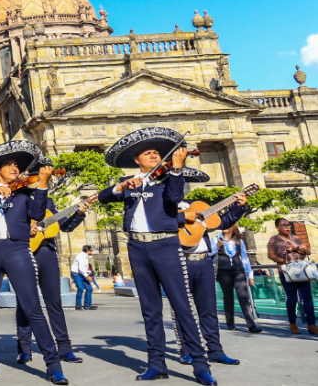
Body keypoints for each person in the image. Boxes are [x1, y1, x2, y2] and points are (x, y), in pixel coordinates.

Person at [99, 127, 215, 385]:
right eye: (147, 153)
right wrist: (121, 185)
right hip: (137, 247)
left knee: (182, 305)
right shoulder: (130, 182)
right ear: (136, 160)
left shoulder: (169, 178)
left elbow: (175, 197)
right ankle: (156, 364)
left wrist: (177, 168)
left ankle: (200, 365)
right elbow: (103, 197)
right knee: (150, 309)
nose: (154, 155)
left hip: (166, 245)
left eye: (156, 153)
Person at [0, 141, 67, 384]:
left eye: (16, 165)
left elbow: (38, 214)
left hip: (17, 249)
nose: (14, 168)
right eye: (9, 165)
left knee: (33, 308)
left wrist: (42, 184)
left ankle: (53, 366)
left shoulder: (26, 194)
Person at [15, 164, 91, 367]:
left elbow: (64, 226)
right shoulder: (14, 198)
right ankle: (24, 348)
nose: (26, 176)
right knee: (24, 302)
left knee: (54, 302)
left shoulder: (47, 200)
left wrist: (79, 213)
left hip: (47, 252)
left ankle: (65, 348)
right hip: (23, 252)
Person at [174, 181, 248, 366]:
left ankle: (215, 350)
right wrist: (182, 218)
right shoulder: (161, 205)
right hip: (179, 261)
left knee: (209, 309)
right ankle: (186, 350)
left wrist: (238, 207)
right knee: (182, 309)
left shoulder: (196, 204)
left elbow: (222, 222)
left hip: (204, 261)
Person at [267, 218, 316, 335]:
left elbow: (308, 251)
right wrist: (284, 260)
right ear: (277, 227)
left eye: (288, 225)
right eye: (283, 225)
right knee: (292, 298)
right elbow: (271, 255)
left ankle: (311, 324)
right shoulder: (273, 240)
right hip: (286, 272)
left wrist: (296, 248)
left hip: (302, 271)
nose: (287, 227)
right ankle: (293, 323)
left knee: (308, 298)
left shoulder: (296, 239)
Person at [214, 224, 260, 333]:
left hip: (238, 271)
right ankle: (230, 323)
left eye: (227, 225)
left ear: (232, 227)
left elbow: (245, 258)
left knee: (243, 297)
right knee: (228, 297)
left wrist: (250, 275)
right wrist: (217, 246)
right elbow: (209, 253)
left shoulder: (239, 241)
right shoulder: (216, 239)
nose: (224, 227)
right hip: (223, 271)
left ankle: (251, 325)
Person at [71, 246, 95, 311]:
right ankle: (78, 305)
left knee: (89, 288)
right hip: (76, 274)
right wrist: (87, 276)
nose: (91, 252)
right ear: (88, 251)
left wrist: (88, 273)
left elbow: (83, 268)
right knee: (80, 288)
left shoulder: (85, 256)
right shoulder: (81, 256)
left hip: (81, 274)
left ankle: (87, 305)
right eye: (91, 250)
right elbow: (81, 268)